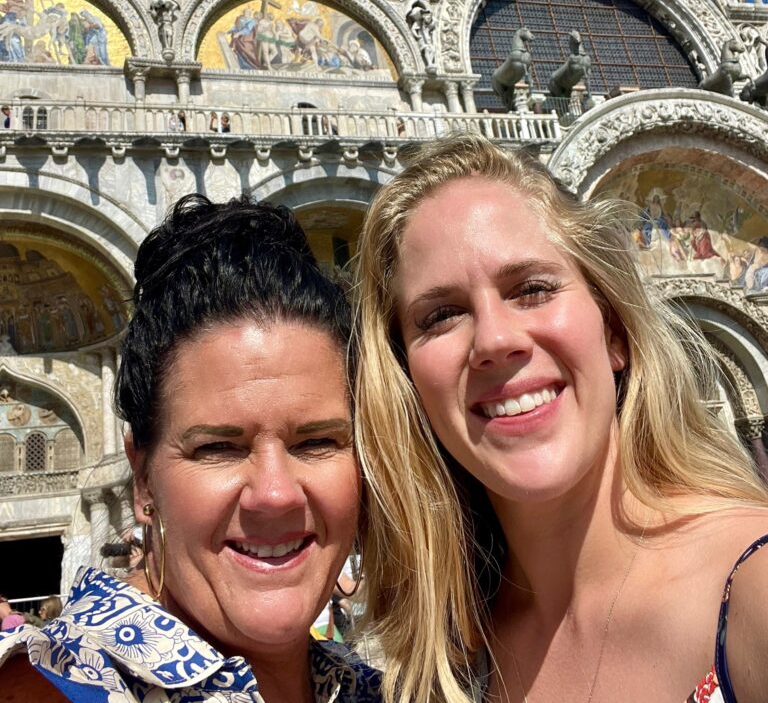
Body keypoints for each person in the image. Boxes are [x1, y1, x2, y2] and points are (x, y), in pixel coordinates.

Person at [353, 134, 768, 703]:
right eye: (442, 315)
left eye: (533, 289)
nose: (495, 340)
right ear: (406, 378)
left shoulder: (753, 586)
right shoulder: (445, 662)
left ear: (614, 331)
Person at [0, 194, 379, 703]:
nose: (275, 494)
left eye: (316, 441)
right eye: (218, 447)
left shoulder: (364, 686)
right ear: (142, 480)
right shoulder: (51, 685)